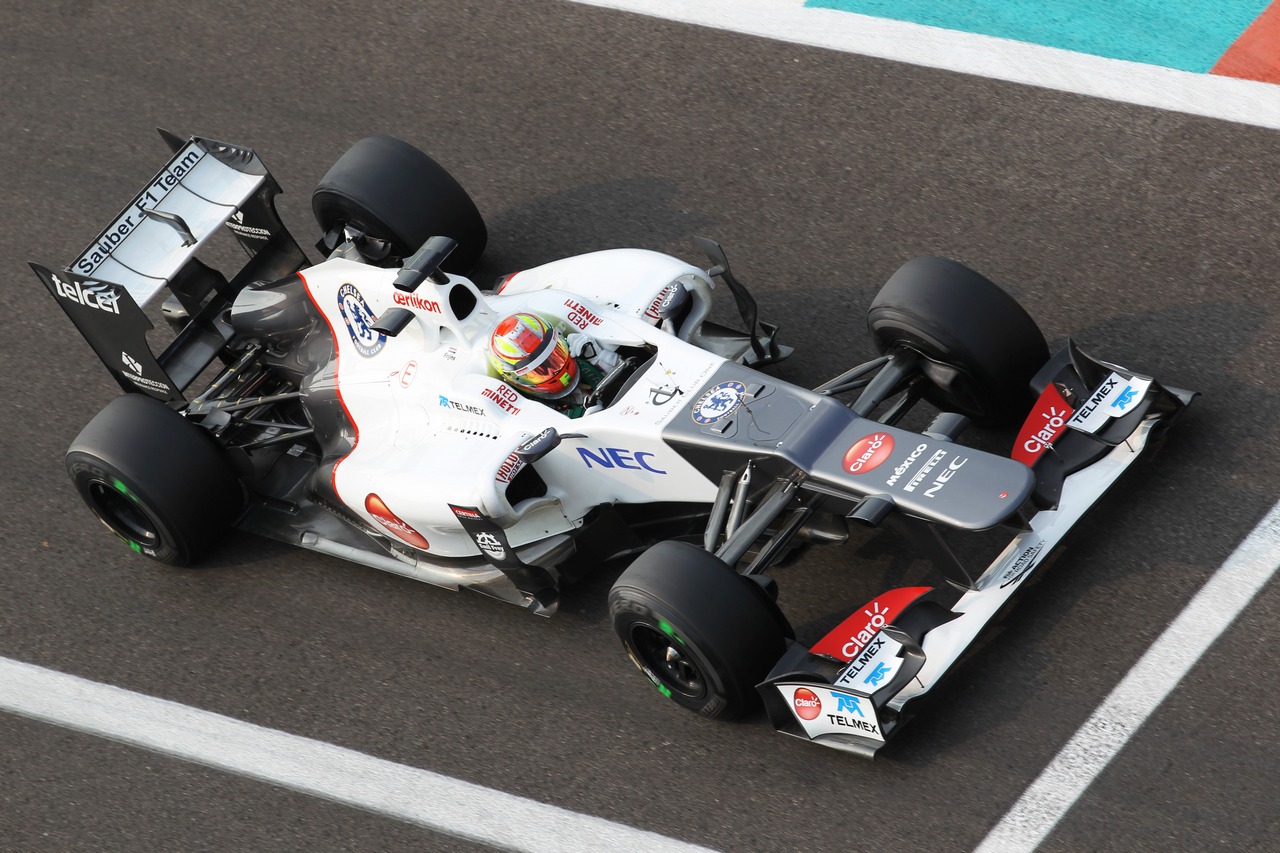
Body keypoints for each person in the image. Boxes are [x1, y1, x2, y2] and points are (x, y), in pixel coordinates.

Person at [487, 312, 622, 417]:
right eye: (540, 370)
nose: (553, 371)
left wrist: (602, 358)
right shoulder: (531, 410)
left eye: (555, 356)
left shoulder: (585, 353)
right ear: (515, 379)